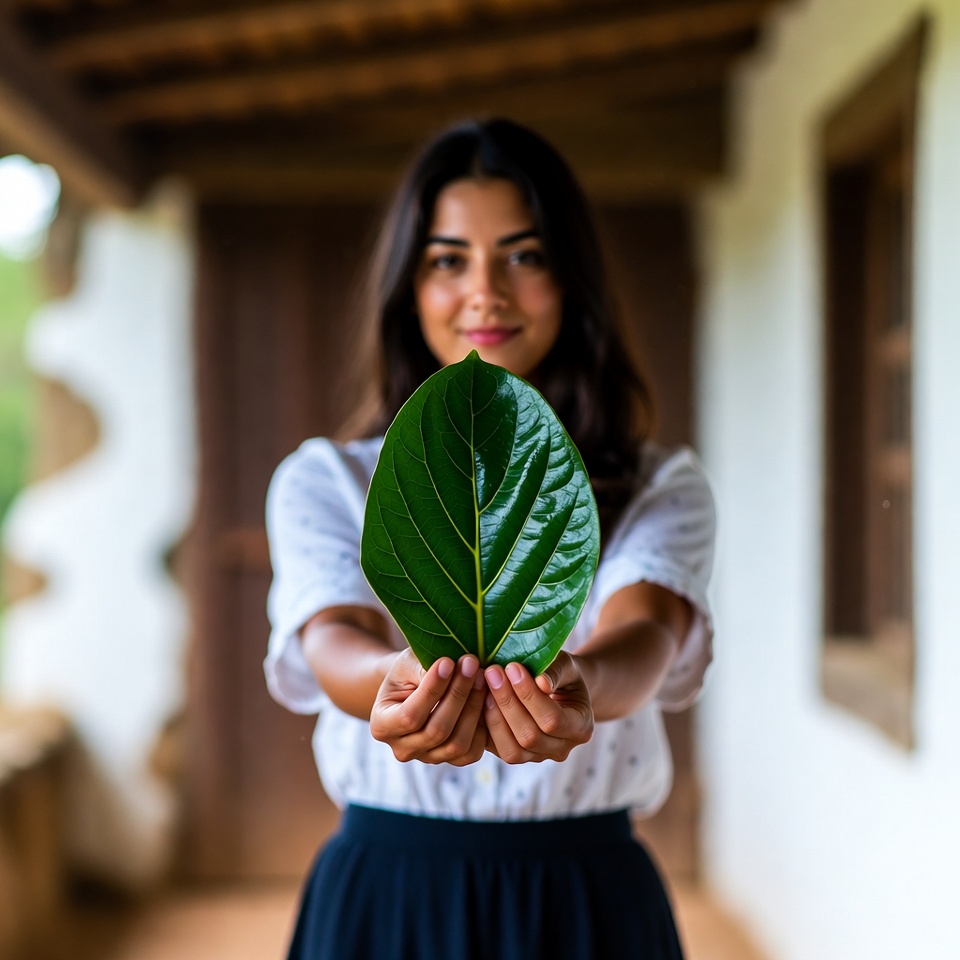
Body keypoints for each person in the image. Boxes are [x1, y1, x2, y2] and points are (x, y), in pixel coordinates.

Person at [264, 118, 715, 960]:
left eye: (525, 255)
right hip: (388, 892)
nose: (486, 293)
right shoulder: (326, 481)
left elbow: (645, 633)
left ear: (572, 278)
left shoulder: (661, 485)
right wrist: (390, 687)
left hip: (586, 896)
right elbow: (333, 638)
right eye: (447, 260)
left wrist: (581, 684)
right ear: (409, 287)